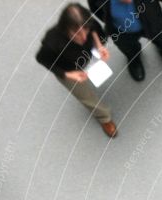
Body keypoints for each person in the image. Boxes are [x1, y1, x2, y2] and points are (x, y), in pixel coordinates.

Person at [36, 3, 118, 138]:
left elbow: (93, 30)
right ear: (65, 29)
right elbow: (42, 59)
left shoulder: (87, 23)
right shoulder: (51, 42)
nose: (83, 37)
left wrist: (98, 45)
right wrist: (67, 74)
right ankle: (104, 118)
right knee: (85, 96)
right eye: (76, 33)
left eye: (84, 29)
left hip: (88, 55)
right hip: (68, 68)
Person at [88, 0, 162, 82]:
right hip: (121, 30)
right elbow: (96, 9)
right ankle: (134, 60)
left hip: (151, 19)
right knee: (129, 48)